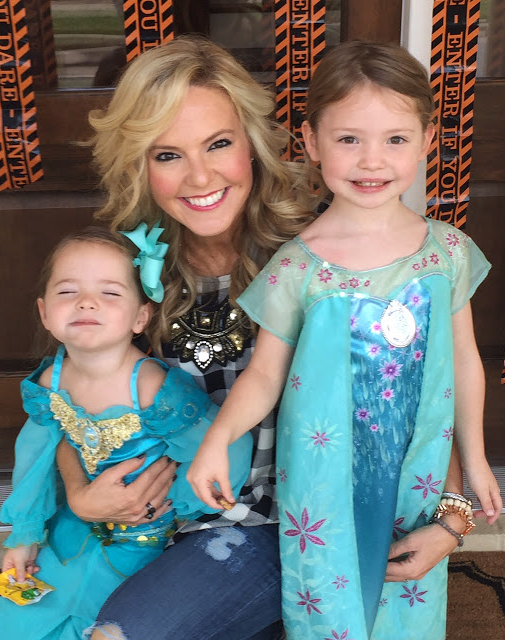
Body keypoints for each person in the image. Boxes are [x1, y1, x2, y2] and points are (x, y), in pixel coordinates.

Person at [56, 36, 473, 640]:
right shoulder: (123, 266)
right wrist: (79, 496)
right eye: (167, 154)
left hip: (289, 526)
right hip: (160, 523)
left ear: (253, 143)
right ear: (137, 165)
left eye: (218, 144)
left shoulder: (331, 246)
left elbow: (420, 386)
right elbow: (62, 396)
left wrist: (453, 514)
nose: (200, 176)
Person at [187, 40, 503, 640]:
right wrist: (218, 439)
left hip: (417, 473)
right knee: (328, 610)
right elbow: (265, 375)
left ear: (428, 139)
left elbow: (464, 361)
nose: (371, 161)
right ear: (311, 141)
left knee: (408, 603)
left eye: (395, 139)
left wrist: (477, 458)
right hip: (322, 479)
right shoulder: (297, 266)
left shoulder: (448, 252)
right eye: (349, 138)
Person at [0, 225, 252, 640]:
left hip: (143, 540)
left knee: (100, 620)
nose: (86, 302)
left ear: (140, 317)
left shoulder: (151, 388)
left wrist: (179, 505)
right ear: (44, 312)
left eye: (110, 293)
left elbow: (225, 445)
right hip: (73, 528)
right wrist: (24, 535)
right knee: (19, 619)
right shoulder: (51, 381)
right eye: (68, 291)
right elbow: (34, 457)